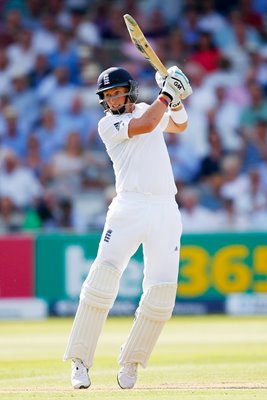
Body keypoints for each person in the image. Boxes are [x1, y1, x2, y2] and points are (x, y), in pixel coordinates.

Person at [63, 65, 192, 389]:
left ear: (129, 91)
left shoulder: (151, 108)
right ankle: (80, 362)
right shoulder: (109, 125)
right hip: (129, 207)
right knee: (101, 282)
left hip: (165, 208)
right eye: (107, 96)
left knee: (162, 295)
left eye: (117, 92)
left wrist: (174, 98)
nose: (112, 99)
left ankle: (132, 361)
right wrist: (168, 91)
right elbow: (148, 124)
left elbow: (180, 124)